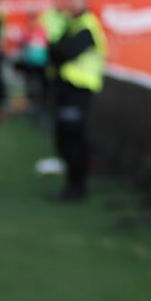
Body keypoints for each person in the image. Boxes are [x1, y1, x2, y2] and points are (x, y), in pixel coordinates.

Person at [48, 0, 107, 201]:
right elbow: (54, 51)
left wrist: (56, 50)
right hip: (68, 91)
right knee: (66, 139)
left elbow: (63, 53)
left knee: (73, 139)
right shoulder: (73, 24)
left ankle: (77, 187)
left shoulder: (86, 26)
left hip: (78, 91)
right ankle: (73, 184)